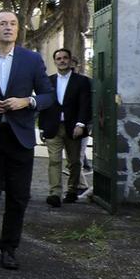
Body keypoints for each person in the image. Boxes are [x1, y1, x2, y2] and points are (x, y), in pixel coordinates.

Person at [0, 11, 55, 270]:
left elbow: (47, 96)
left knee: (19, 196)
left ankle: (9, 247)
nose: (8, 28)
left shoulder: (31, 60)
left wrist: (27, 101)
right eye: (2, 24)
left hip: (20, 138)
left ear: (18, 30)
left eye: (13, 24)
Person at [38, 48, 92, 207]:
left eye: (65, 58)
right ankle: (54, 193)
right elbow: (44, 105)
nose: (62, 61)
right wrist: (42, 127)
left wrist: (81, 124)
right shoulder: (48, 81)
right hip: (53, 127)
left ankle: (72, 191)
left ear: (70, 61)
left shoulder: (81, 81)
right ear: (55, 62)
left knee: (74, 162)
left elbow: (85, 104)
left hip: (74, 128)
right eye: (58, 58)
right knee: (54, 161)